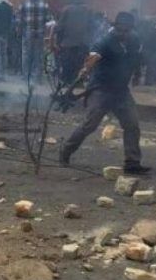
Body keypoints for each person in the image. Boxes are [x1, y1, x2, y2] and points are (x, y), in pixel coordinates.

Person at [60, 11, 149, 175]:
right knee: (90, 125)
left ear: (130, 29)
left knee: (132, 125)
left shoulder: (134, 40)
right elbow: (92, 58)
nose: (123, 33)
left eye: (126, 30)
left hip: (121, 90)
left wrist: (136, 75)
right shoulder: (105, 41)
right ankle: (66, 151)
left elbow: (136, 58)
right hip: (101, 89)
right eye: (120, 29)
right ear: (115, 27)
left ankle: (132, 162)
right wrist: (84, 72)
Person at [56, 0, 91, 86]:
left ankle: (66, 84)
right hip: (82, 43)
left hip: (68, 43)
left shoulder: (66, 9)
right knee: (79, 65)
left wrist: (58, 42)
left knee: (67, 65)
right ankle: (78, 84)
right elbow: (90, 26)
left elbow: (59, 27)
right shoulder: (87, 10)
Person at [18, 0, 51, 82]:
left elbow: (19, 21)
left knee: (26, 55)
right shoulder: (44, 4)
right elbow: (49, 20)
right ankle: (37, 78)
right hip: (40, 34)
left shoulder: (24, 4)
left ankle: (26, 77)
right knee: (38, 56)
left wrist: (19, 32)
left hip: (27, 34)